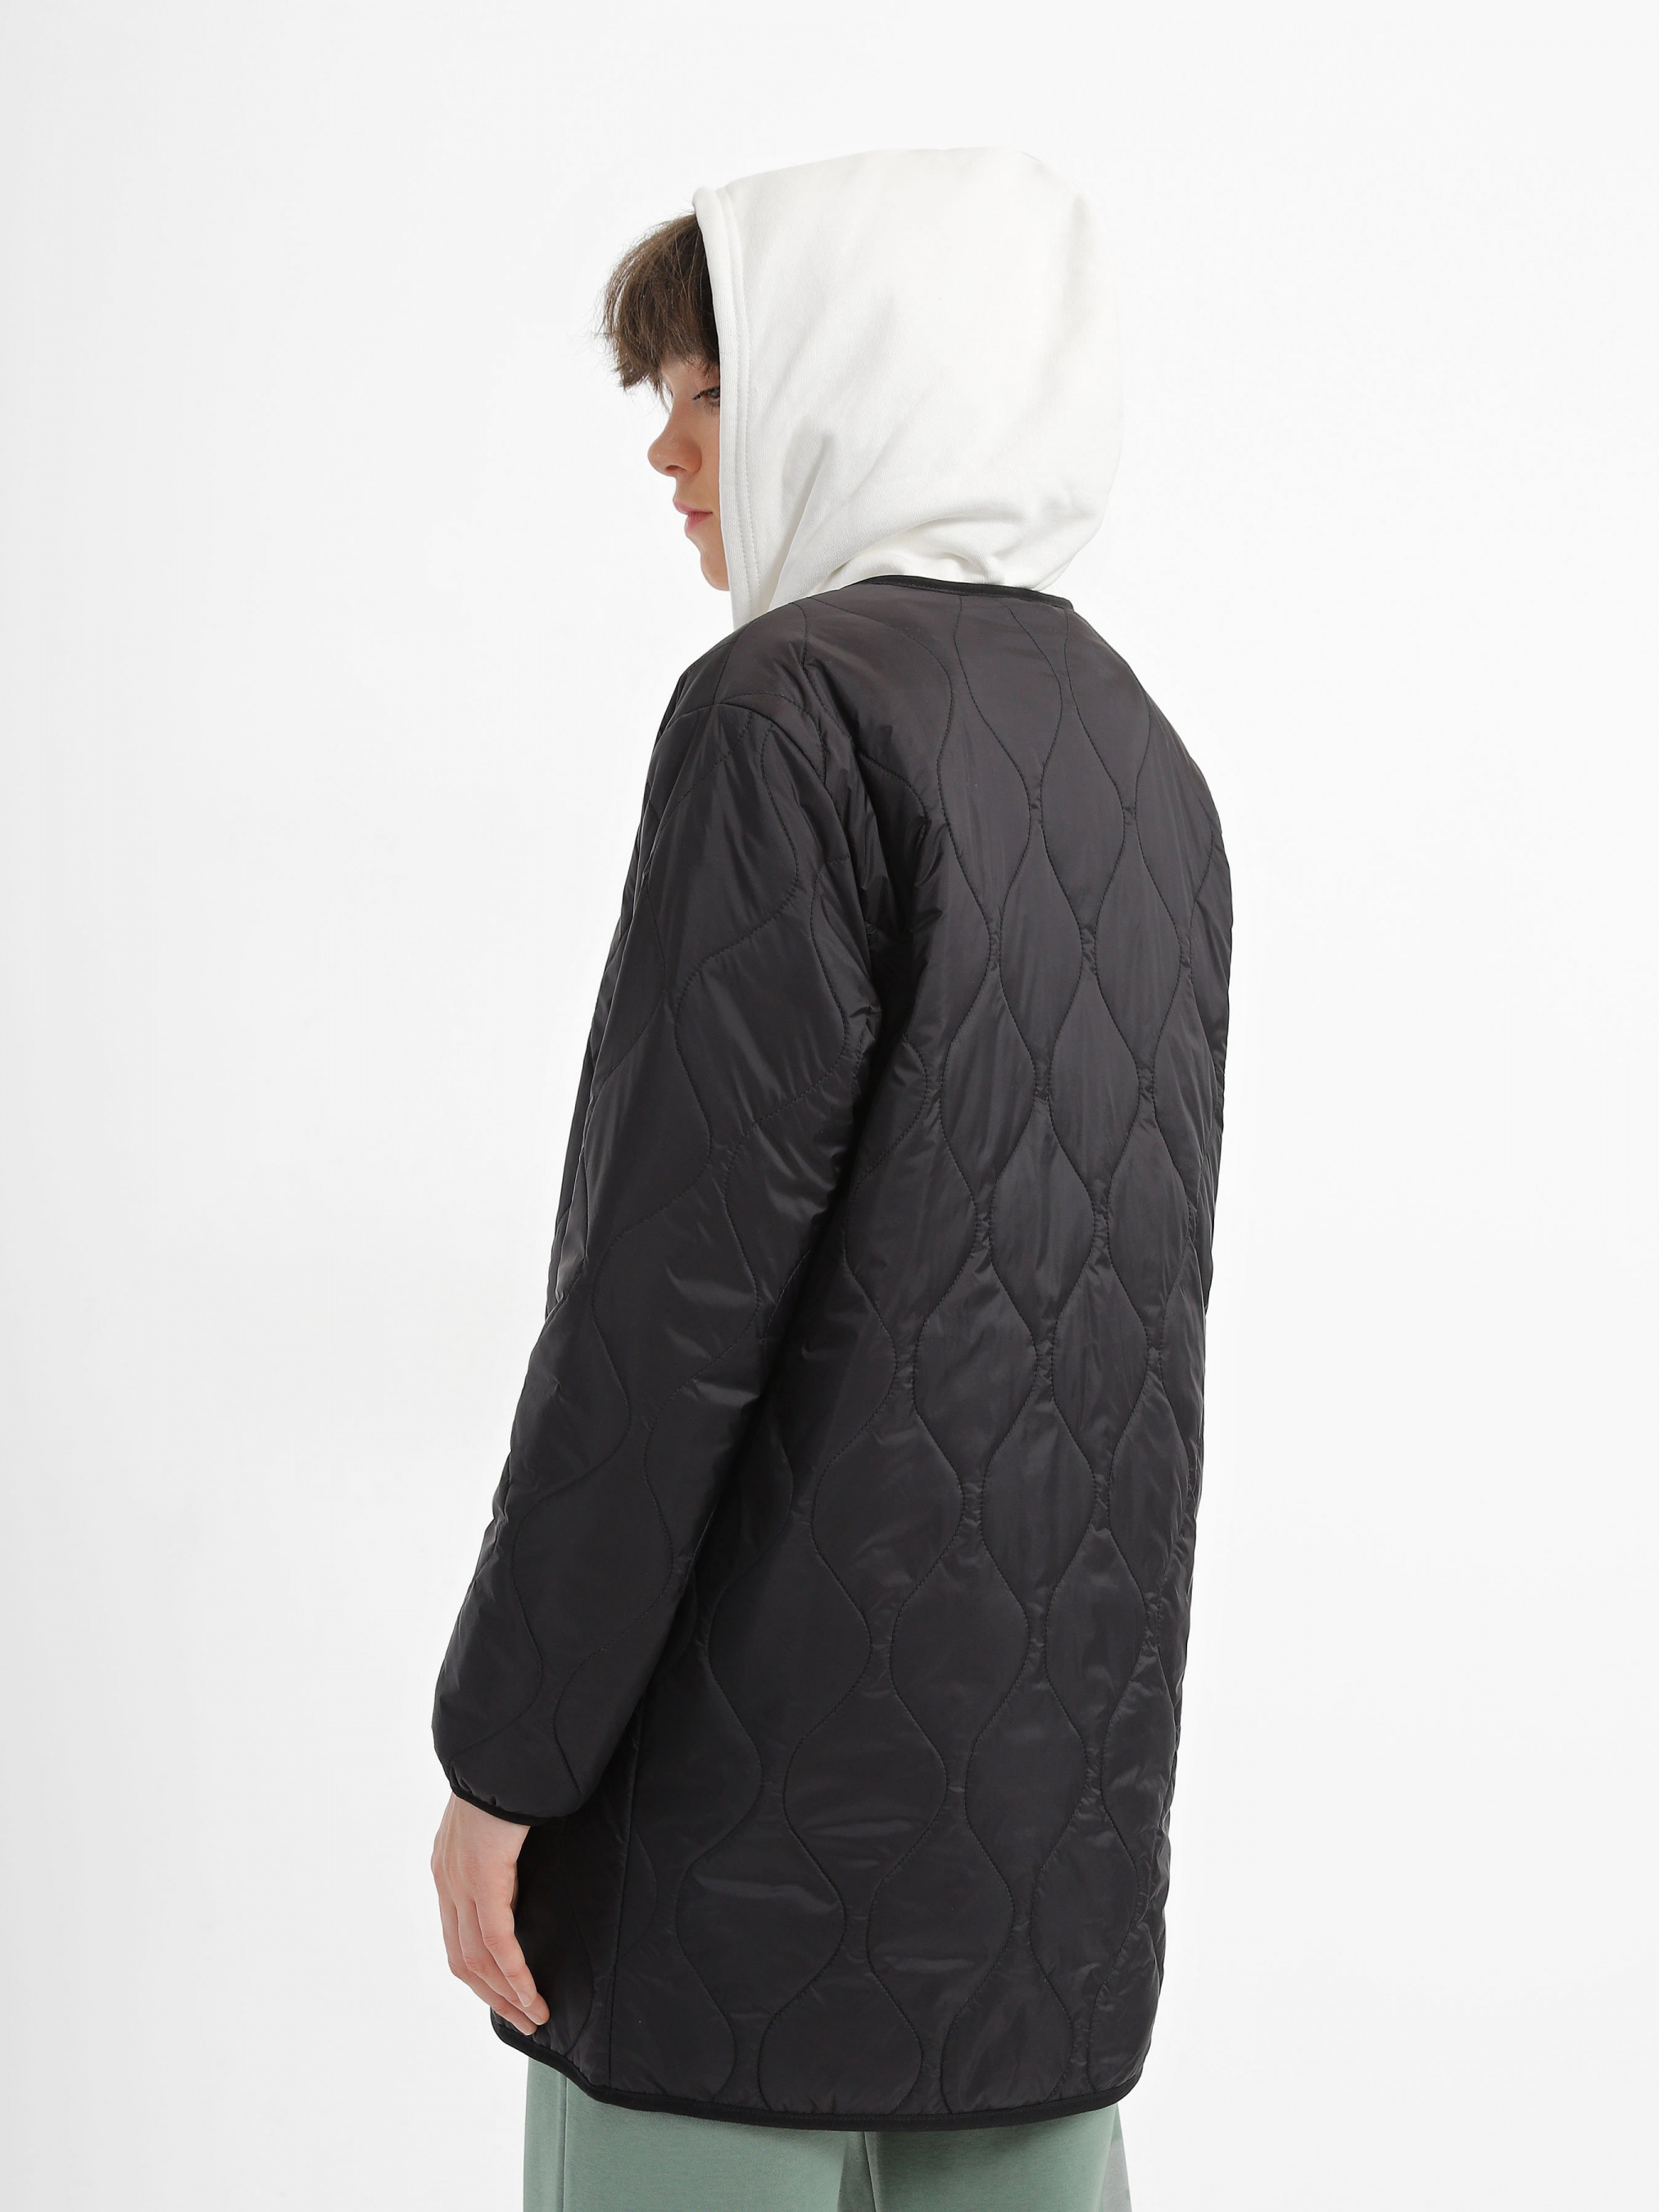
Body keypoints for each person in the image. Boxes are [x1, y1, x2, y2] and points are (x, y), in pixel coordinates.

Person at [431, 147, 1231, 2212]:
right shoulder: (1136, 755)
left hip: (732, 1860)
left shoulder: (781, 715)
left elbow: (660, 1316)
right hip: (1038, 1860)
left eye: (699, 391)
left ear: (845, 377)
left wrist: (503, 1759)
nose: (667, 456)